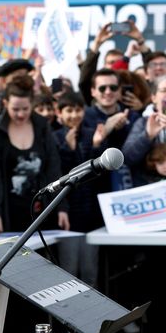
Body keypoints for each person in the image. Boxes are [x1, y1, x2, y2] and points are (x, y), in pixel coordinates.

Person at [0, 75, 61, 233]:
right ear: (5, 103)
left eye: (25, 109)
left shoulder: (42, 126)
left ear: (32, 104)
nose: (21, 114)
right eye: (15, 109)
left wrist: (61, 207)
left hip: (41, 208)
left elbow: (53, 167)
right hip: (9, 210)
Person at [52, 91, 108, 286]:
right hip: (68, 217)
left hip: (91, 215)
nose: (74, 115)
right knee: (68, 270)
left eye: (78, 110)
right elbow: (61, 176)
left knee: (90, 271)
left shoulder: (92, 134)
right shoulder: (55, 137)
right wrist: (67, 148)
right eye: (69, 110)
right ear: (59, 112)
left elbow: (97, 175)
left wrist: (96, 146)